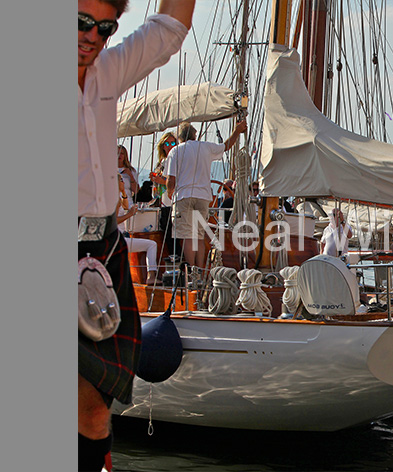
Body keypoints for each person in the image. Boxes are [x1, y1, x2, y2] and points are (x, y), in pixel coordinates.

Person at [78, 1, 195, 471]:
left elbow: (170, 28)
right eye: (80, 22)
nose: (92, 36)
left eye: (104, 28)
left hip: (101, 249)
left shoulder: (108, 70)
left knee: (94, 405)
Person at [166, 119, 247, 268]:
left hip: (184, 195)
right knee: (199, 235)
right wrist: (238, 130)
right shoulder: (205, 147)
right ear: (195, 135)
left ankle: (191, 270)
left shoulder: (175, 151)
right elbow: (227, 146)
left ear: (180, 137)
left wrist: (170, 192)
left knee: (187, 236)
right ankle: (201, 270)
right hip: (203, 196)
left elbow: (171, 179)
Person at [116, 177, 161, 285]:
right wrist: (129, 214)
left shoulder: (117, 197)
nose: (124, 182)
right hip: (118, 238)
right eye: (121, 180)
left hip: (120, 237)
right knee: (152, 245)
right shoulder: (114, 199)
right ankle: (151, 276)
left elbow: (125, 206)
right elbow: (113, 221)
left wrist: (123, 192)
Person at [150, 131, 180, 256]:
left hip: (173, 201)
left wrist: (160, 180)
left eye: (172, 143)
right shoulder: (162, 162)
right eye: (166, 143)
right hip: (163, 201)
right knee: (166, 232)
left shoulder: (178, 160)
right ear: (162, 146)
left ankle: (177, 258)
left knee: (172, 234)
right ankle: (171, 258)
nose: (169, 145)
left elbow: (177, 180)